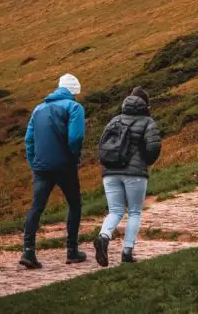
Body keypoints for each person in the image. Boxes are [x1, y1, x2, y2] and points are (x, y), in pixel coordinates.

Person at [21, 74, 86, 269]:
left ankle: (28, 251)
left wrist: (34, 163)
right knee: (74, 204)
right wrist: (73, 156)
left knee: (36, 207)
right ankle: (72, 251)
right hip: (64, 165)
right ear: (74, 92)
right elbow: (76, 137)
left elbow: (28, 140)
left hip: (41, 167)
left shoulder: (38, 109)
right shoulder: (74, 107)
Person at [93, 87, 162, 266]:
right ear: (145, 104)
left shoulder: (115, 120)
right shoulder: (148, 121)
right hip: (135, 174)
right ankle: (127, 252)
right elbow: (153, 147)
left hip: (110, 172)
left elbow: (103, 143)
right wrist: (145, 162)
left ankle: (104, 236)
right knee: (134, 212)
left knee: (115, 210)